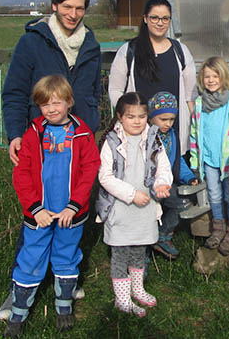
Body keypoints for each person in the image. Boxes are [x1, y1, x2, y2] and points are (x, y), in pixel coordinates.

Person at [0, 0, 101, 320]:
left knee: (74, 208)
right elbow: (14, 91)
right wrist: (16, 132)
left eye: (80, 8)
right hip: (40, 142)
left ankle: (65, 277)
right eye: (67, 6)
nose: (73, 14)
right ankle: (17, 291)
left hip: (78, 138)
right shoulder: (33, 42)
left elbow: (91, 90)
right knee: (37, 216)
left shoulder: (90, 43)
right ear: (54, 5)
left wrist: (92, 122)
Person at [4, 75, 100, 337]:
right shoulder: (34, 133)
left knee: (66, 256)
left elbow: (90, 170)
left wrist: (74, 206)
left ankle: (63, 305)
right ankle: (18, 313)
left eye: (57, 103)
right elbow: (21, 173)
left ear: (69, 102)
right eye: (45, 105)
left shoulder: (82, 134)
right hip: (40, 213)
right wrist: (35, 208)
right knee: (31, 258)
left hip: (70, 213)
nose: (51, 110)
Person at [96, 92, 173, 317]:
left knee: (140, 250)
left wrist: (161, 184)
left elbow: (163, 168)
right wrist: (131, 194)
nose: (137, 121)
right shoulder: (111, 141)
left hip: (145, 209)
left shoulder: (153, 139)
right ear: (120, 117)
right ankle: (122, 299)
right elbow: (105, 177)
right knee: (120, 254)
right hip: (120, 210)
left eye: (141, 116)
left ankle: (137, 288)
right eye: (131, 116)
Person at [108, 0, 197, 153]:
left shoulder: (181, 51)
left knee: (174, 174)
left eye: (165, 18)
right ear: (145, 19)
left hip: (173, 132)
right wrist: (128, 117)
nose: (160, 22)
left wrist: (196, 125)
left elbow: (191, 95)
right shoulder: (129, 51)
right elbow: (115, 90)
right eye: (155, 17)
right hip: (138, 131)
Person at [189, 57, 229, 256]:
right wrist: (194, 161)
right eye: (206, 76)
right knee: (214, 195)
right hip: (209, 160)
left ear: (223, 77)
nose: (211, 80)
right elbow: (194, 133)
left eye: (215, 75)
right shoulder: (199, 104)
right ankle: (218, 229)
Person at [148, 91, 199, 260]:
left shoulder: (171, 135)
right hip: (147, 186)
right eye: (163, 119)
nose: (168, 123)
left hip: (167, 184)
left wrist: (189, 177)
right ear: (151, 116)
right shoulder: (145, 135)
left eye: (171, 119)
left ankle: (163, 235)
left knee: (183, 202)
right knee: (145, 214)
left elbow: (177, 161)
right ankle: (142, 251)